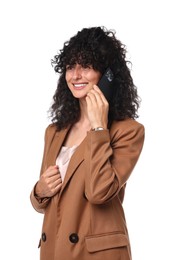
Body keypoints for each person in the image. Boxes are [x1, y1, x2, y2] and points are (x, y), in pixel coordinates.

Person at [30, 26, 145, 260]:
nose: (75, 75)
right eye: (70, 67)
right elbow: (47, 198)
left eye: (86, 66)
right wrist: (38, 191)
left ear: (107, 76)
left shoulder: (128, 132)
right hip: (55, 249)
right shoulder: (54, 132)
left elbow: (99, 192)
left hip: (96, 254)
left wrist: (99, 128)